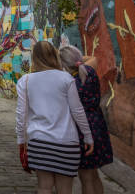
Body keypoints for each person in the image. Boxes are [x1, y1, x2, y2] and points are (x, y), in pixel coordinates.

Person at [15, 41, 94, 194]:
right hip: (66, 142)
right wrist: (88, 136)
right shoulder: (66, 78)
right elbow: (78, 111)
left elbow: (21, 115)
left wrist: (21, 140)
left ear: (34, 58)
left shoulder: (25, 81)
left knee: (44, 187)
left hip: (39, 142)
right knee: (65, 189)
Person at [60, 45, 113, 194]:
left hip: (82, 127)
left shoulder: (70, 82)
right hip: (97, 124)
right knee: (94, 174)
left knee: (86, 177)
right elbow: (93, 58)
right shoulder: (90, 70)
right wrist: (75, 59)